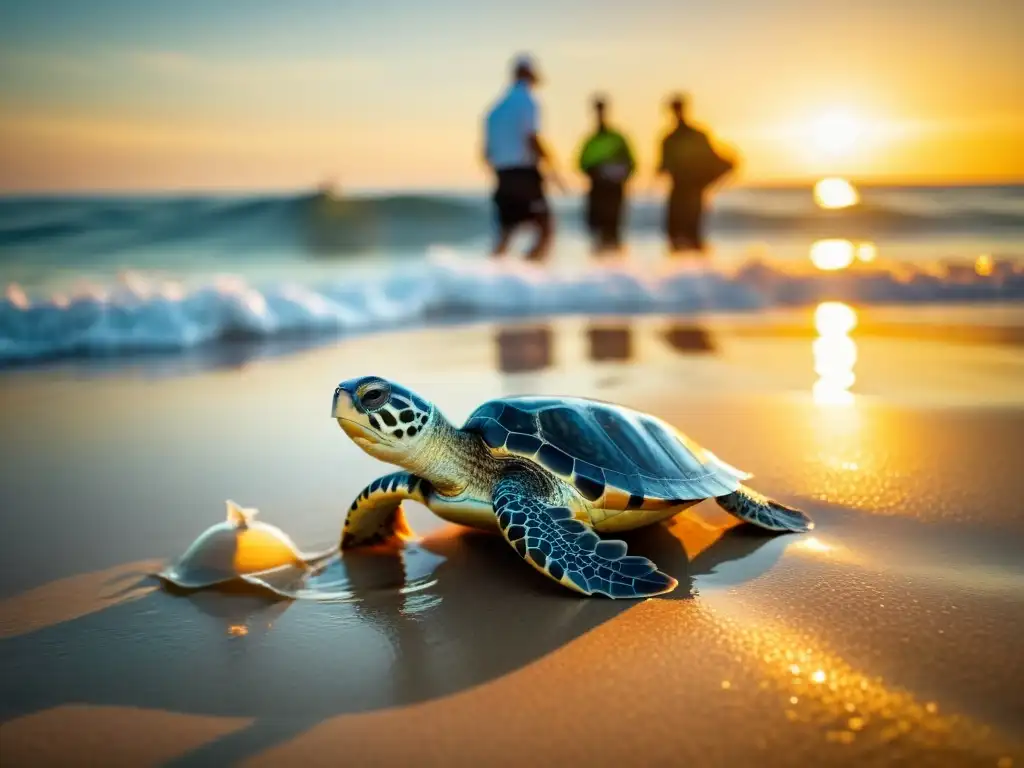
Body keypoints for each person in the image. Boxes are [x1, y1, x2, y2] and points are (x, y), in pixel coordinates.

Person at [482, 53, 563, 262]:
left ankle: (489, 278)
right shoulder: (528, 101)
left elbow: (486, 154)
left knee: (506, 232)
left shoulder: (495, 109)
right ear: (529, 76)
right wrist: (553, 168)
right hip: (524, 174)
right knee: (546, 228)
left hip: (502, 176)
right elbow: (531, 138)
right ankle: (531, 274)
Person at [657, 93, 734, 254]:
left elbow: (713, 159)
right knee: (677, 236)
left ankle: (695, 273)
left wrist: (717, 173)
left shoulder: (694, 136)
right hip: (680, 191)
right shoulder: (669, 139)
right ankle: (680, 274)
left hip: (692, 191)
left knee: (691, 234)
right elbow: (662, 168)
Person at [577, 95, 636, 254]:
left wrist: (617, 174)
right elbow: (581, 164)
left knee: (613, 230)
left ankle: (615, 265)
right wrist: (596, 171)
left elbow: (631, 164)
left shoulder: (617, 139)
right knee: (597, 231)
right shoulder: (591, 140)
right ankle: (600, 267)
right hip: (597, 189)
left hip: (614, 189)